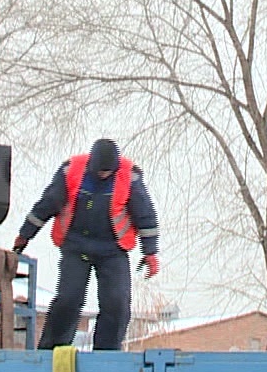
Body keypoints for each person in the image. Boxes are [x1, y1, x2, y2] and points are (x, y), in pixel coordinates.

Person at [13, 139, 160, 351]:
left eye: (108, 172)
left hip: (112, 249)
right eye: (100, 171)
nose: (103, 175)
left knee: (117, 303)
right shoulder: (71, 170)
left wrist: (151, 252)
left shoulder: (129, 175)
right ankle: (52, 350)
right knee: (68, 299)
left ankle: (107, 353)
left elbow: (145, 214)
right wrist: (25, 235)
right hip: (76, 245)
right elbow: (47, 204)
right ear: (91, 163)